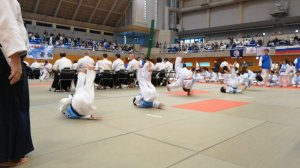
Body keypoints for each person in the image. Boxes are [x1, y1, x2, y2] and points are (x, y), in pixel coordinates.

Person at [0, 0, 34, 167]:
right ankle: (8, 155)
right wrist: (15, 58)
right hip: (5, 56)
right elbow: (6, 22)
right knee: (12, 105)